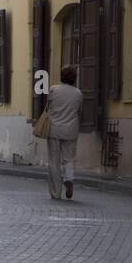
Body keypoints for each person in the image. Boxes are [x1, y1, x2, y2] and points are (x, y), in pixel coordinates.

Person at [45, 65, 84, 200]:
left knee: (54, 162)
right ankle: (69, 179)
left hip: (54, 129)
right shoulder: (78, 93)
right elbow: (79, 112)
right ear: (74, 78)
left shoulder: (53, 90)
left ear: (61, 76)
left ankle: (56, 192)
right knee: (69, 159)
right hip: (71, 129)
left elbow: (48, 108)